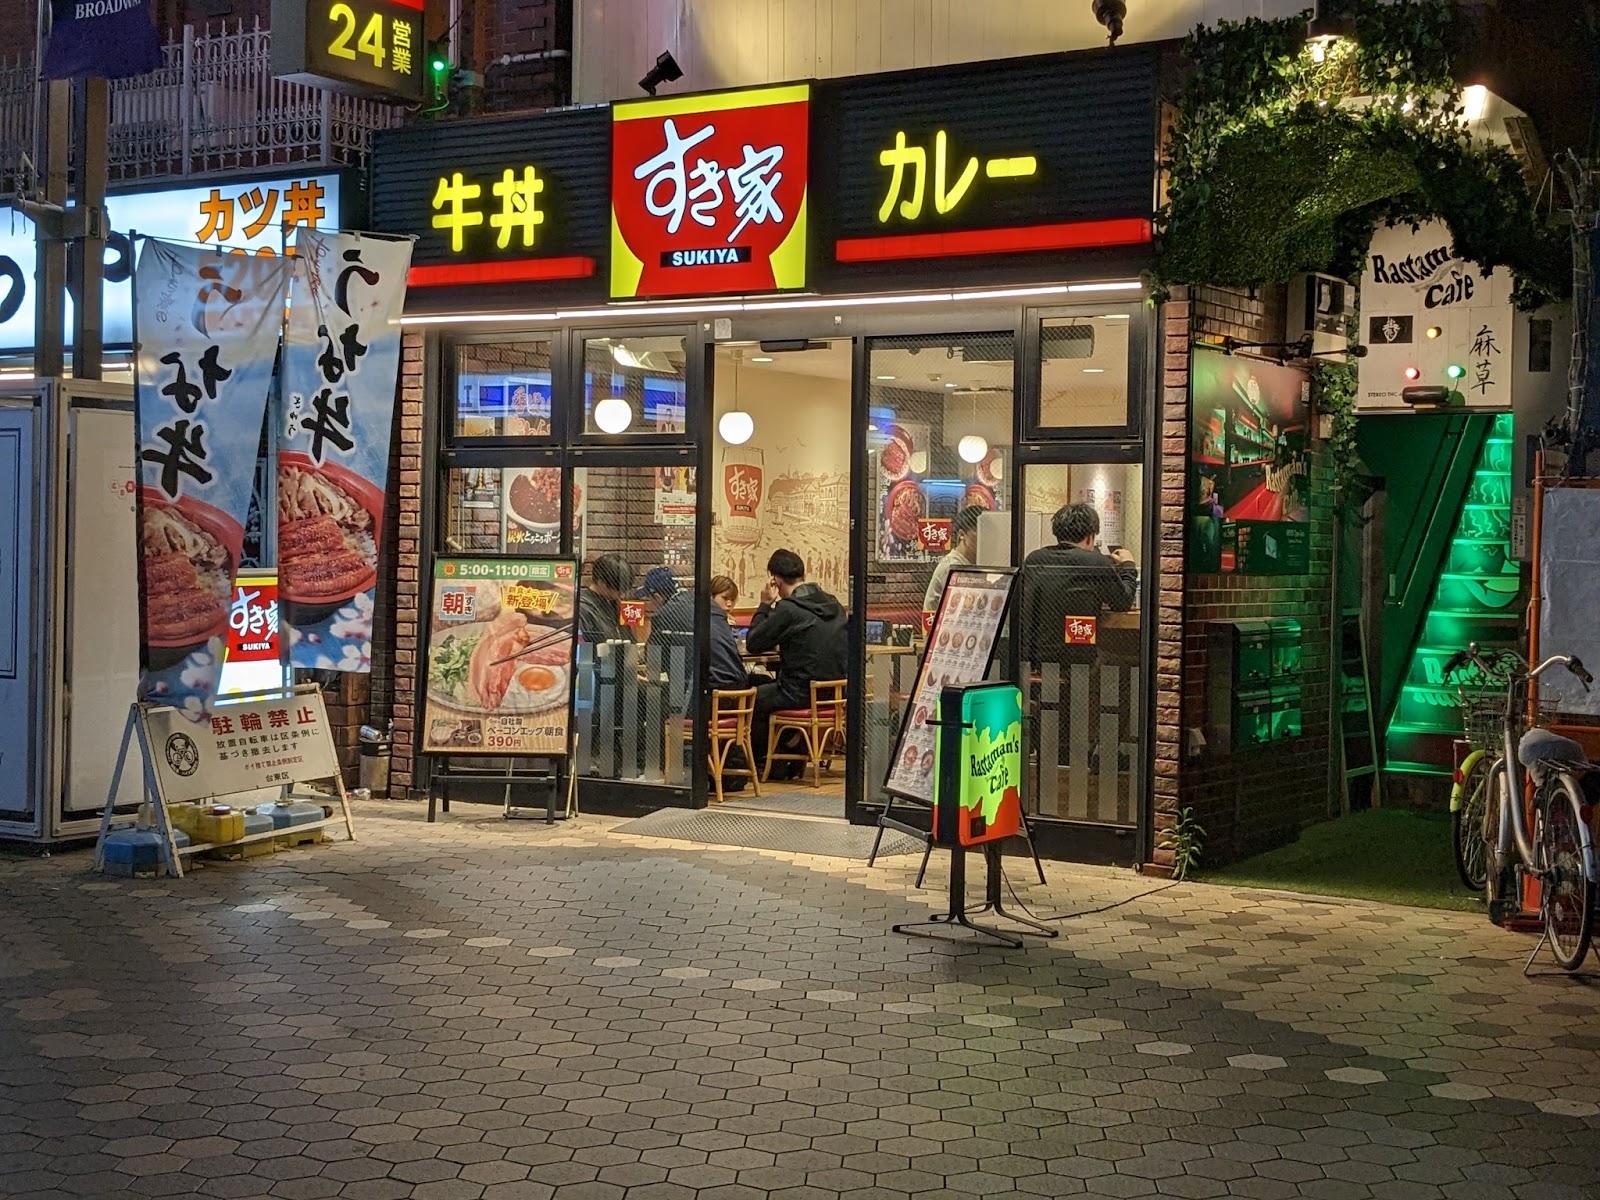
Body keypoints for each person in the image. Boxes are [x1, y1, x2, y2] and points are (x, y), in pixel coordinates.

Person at [746, 548, 848, 773]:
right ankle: (789, 754)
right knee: (762, 683)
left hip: (799, 693)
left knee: (750, 697)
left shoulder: (789, 609)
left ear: (775, 580)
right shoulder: (834, 604)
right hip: (835, 694)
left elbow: (754, 643)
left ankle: (762, 764)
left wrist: (764, 604)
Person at [1019, 503, 1137, 665]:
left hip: (1034, 658)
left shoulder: (1035, 559)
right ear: (1090, 536)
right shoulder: (1095, 562)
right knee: (1133, 661)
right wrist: (1128, 565)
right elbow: (1123, 602)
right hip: (1079, 661)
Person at [923, 504, 987, 612]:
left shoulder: (977, 562)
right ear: (962, 535)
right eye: (981, 531)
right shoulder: (951, 566)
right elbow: (969, 607)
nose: (987, 538)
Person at [578, 554, 633, 645]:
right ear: (601, 582)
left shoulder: (614, 604)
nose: (622, 595)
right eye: (618, 589)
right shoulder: (583, 608)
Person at [708, 575, 750, 691]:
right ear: (711, 596)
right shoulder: (715, 620)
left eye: (732, 599)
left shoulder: (725, 619)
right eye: (725, 598)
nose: (729, 603)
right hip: (724, 682)